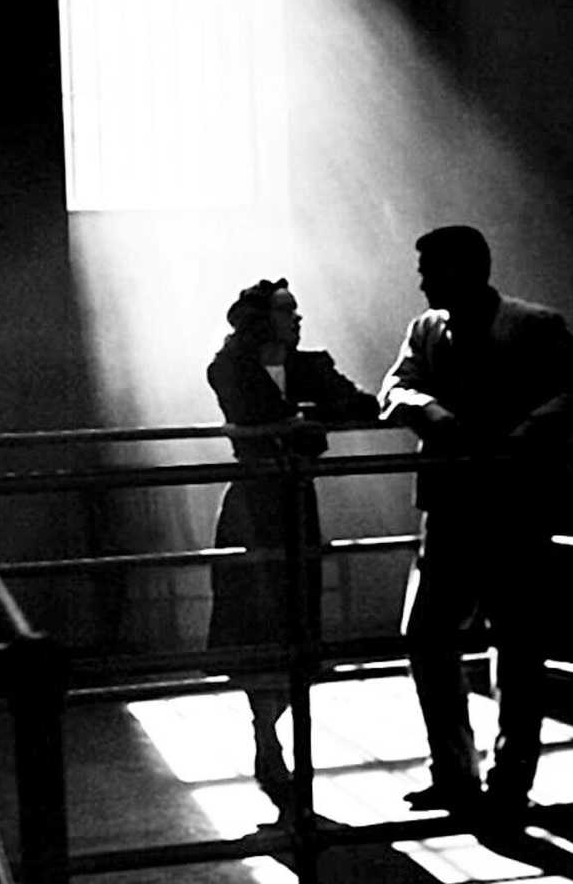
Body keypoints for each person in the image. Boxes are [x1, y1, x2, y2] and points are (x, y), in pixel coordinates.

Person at [378, 226, 573, 819]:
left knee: (516, 643)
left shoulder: (535, 325)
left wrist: (531, 431)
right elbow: (396, 386)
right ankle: (460, 773)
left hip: (513, 507)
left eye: (431, 267)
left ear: (467, 269)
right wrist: (429, 411)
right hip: (454, 508)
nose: (422, 278)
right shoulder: (427, 328)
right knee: (432, 638)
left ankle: (507, 778)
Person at [207, 278, 378, 817]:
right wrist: (298, 423)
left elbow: (357, 405)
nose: (298, 320)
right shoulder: (230, 366)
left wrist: (307, 422)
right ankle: (268, 737)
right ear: (262, 320)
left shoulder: (309, 364)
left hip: (296, 502)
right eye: (288, 312)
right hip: (254, 505)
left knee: (298, 619)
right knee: (256, 621)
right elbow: (255, 418)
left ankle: (276, 734)